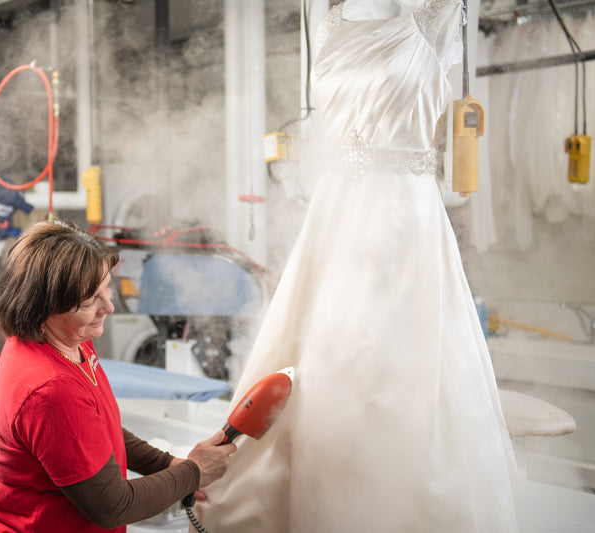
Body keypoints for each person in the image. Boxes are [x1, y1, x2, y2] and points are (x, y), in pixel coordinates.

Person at [198, 0, 521, 531]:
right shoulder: (327, 13)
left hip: (403, 215)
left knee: (397, 366)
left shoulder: (438, 10)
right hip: (336, 210)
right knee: (322, 361)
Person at [0, 219, 237, 532]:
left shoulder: (67, 338)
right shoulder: (50, 388)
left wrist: (167, 465)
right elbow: (113, 505)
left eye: (106, 289)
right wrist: (194, 472)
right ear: (42, 307)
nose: (109, 307)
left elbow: (95, 430)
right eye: (89, 302)